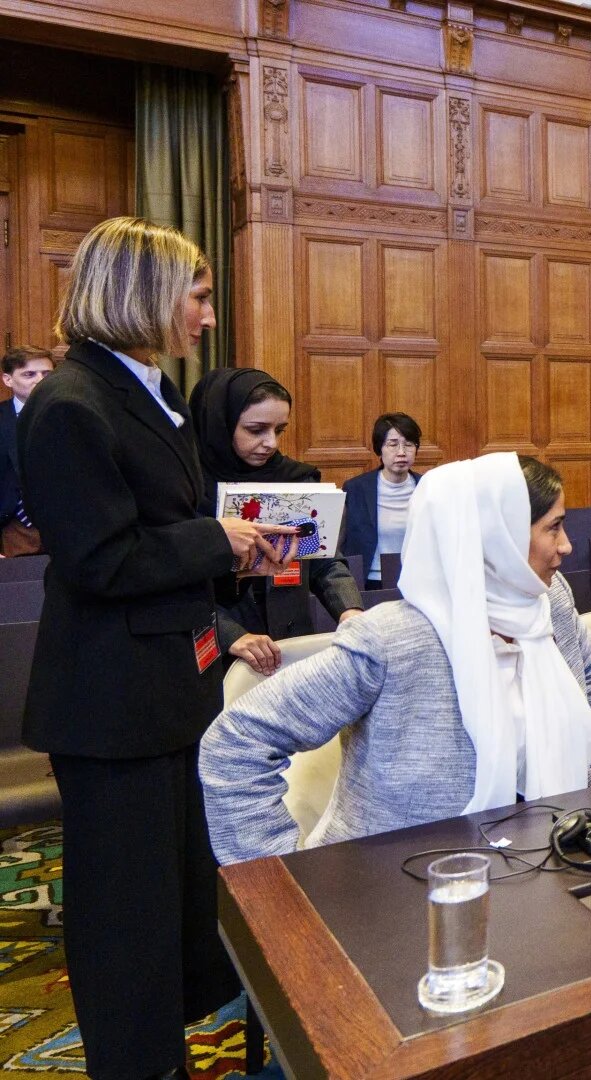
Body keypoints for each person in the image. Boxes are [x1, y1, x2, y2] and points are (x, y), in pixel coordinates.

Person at [19, 216, 296, 1080]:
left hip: (164, 692)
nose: (208, 315)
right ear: (142, 293)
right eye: (199, 293)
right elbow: (101, 559)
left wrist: (228, 541)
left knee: (171, 907)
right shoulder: (71, 403)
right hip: (110, 705)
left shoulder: (143, 392)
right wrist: (220, 542)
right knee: (125, 926)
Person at [199, 453, 591, 863]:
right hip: (398, 889)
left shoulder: (548, 602)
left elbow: (588, 670)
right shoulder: (393, 640)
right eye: (554, 528)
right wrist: (277, 882)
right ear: (497, 538)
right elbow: (237, 743)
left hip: (541, 858)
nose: (567, 547)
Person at [189, 368, 363, 675]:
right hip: (219, 650)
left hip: (290, 644)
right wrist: (231, 634)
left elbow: (324, 559)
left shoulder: (296, 479)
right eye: (256, 430)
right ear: (220, 424)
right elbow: (176, 585)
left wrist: (350, 609)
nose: (270, 442)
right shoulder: (187, 488)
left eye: (279, 430)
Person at [340, 412, 422, 586]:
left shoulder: (427, 487)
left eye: (408, 445)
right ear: (380, 449)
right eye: (393, 444)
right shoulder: (356, 489)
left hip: (417, 580)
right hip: (369, 582)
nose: (401, 452)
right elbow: (340, 542)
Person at [0, 345, 54, 556]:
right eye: (29, 374)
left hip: (62, 526)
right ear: (8, 379)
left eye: (47, 374)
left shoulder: (70, 415)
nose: (40, 380)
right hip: (12, 527)